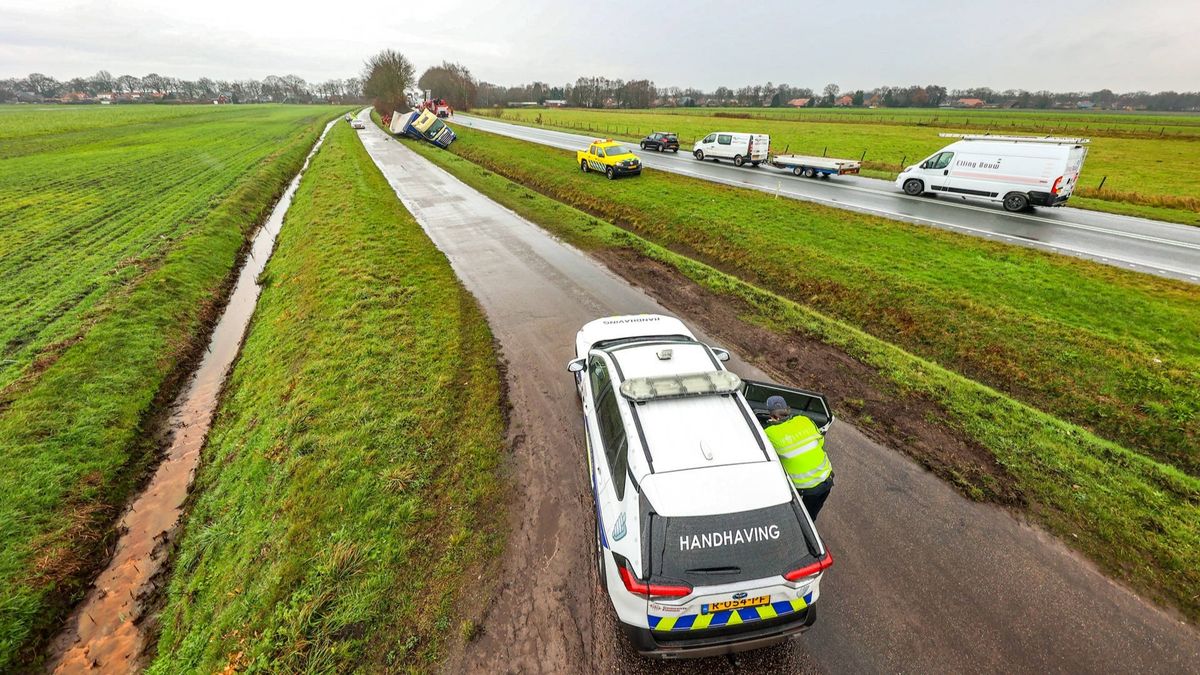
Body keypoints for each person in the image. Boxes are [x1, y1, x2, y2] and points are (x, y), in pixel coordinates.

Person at [762, 395, 833, 521]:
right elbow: (820, 442)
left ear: (771, 415)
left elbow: (769, 458)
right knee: (811, 517)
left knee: (800, 519)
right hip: (827, 478)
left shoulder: (769, 433)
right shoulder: (804, 420)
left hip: (806, 488)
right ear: (787, 409)